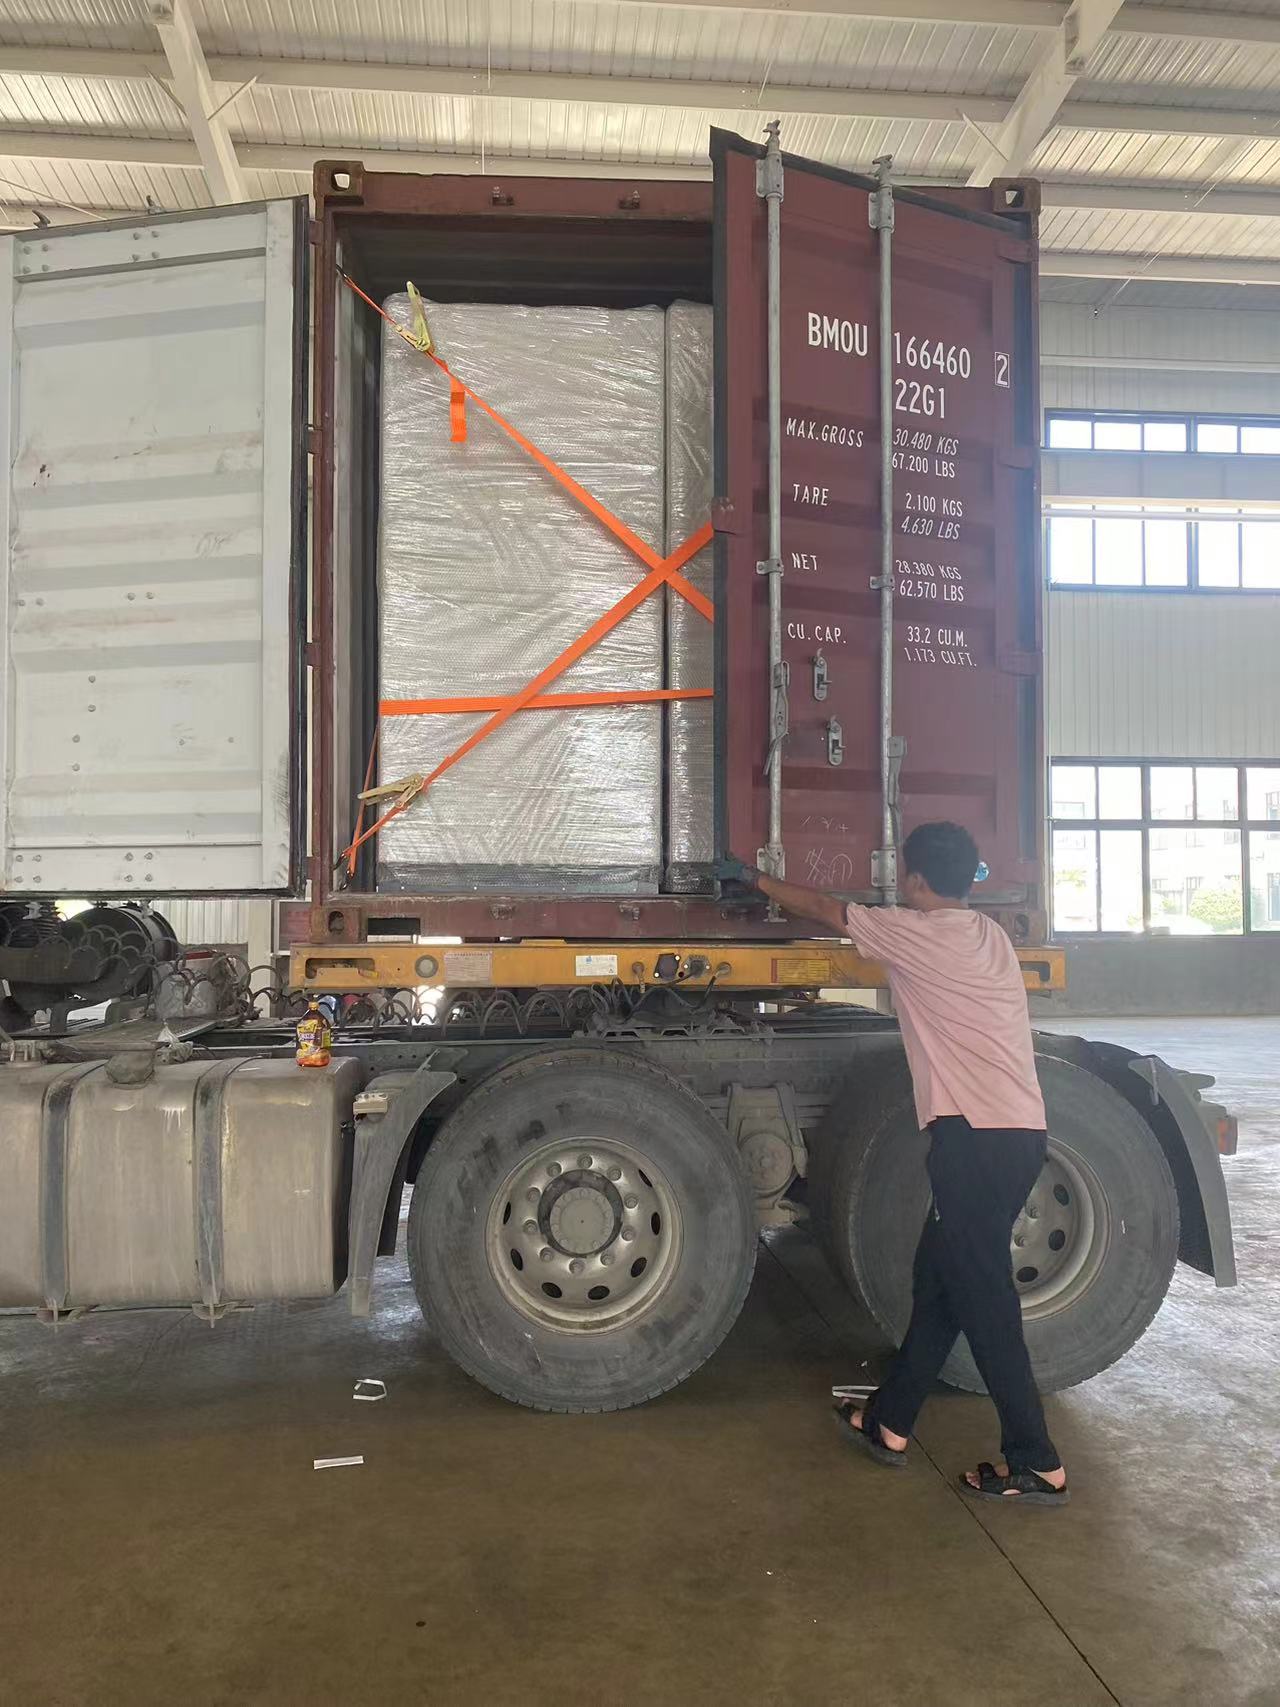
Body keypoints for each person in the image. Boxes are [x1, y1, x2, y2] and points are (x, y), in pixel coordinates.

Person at [732, 821, 1068, 1507]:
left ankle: (1036, 1459)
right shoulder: (988, 934)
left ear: (914, 879)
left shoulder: (916, 933)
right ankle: (890, 1419)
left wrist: (752, 878)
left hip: (973, 1142)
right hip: (1017, 1134)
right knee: (939, 1280)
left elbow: (827, 910)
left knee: (984, 1300)